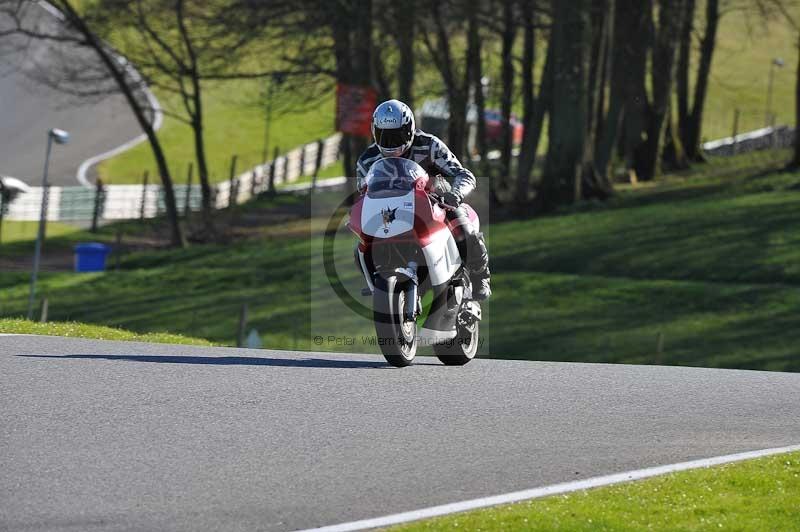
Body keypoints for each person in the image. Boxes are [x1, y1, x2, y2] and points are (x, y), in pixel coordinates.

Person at [356, 99, 491, 301]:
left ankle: (481, 276)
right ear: (375, 132)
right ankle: (380, 285)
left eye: (397, 135)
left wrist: (454, 194)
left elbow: (464, 175)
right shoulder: (367, 159)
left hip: (437, 205)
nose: (390, 143)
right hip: (391, 214)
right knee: (360, 247)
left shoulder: (430, 145)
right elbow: (363, 192)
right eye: (384, 135)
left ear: (409, 130)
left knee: (464, 229)